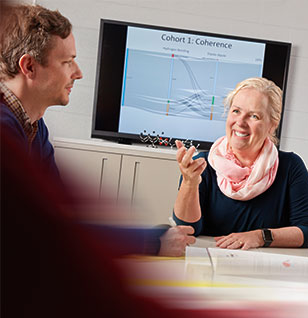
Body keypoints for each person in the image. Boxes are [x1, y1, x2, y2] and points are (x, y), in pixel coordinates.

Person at [0, 3, 195, 257]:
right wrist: (150, 241)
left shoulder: (34, 128)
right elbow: (43, 231)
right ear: (29, 67)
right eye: (67, 62)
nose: (78, 73)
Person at [173, 77, 308, 249]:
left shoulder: (290, 166)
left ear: (272, 125)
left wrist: (261, 236)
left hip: (264, 269)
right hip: (209, 265)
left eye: (254, 116)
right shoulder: (202, 164)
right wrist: (189, 184)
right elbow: (188, 230)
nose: (241, 123)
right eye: (236, 111)